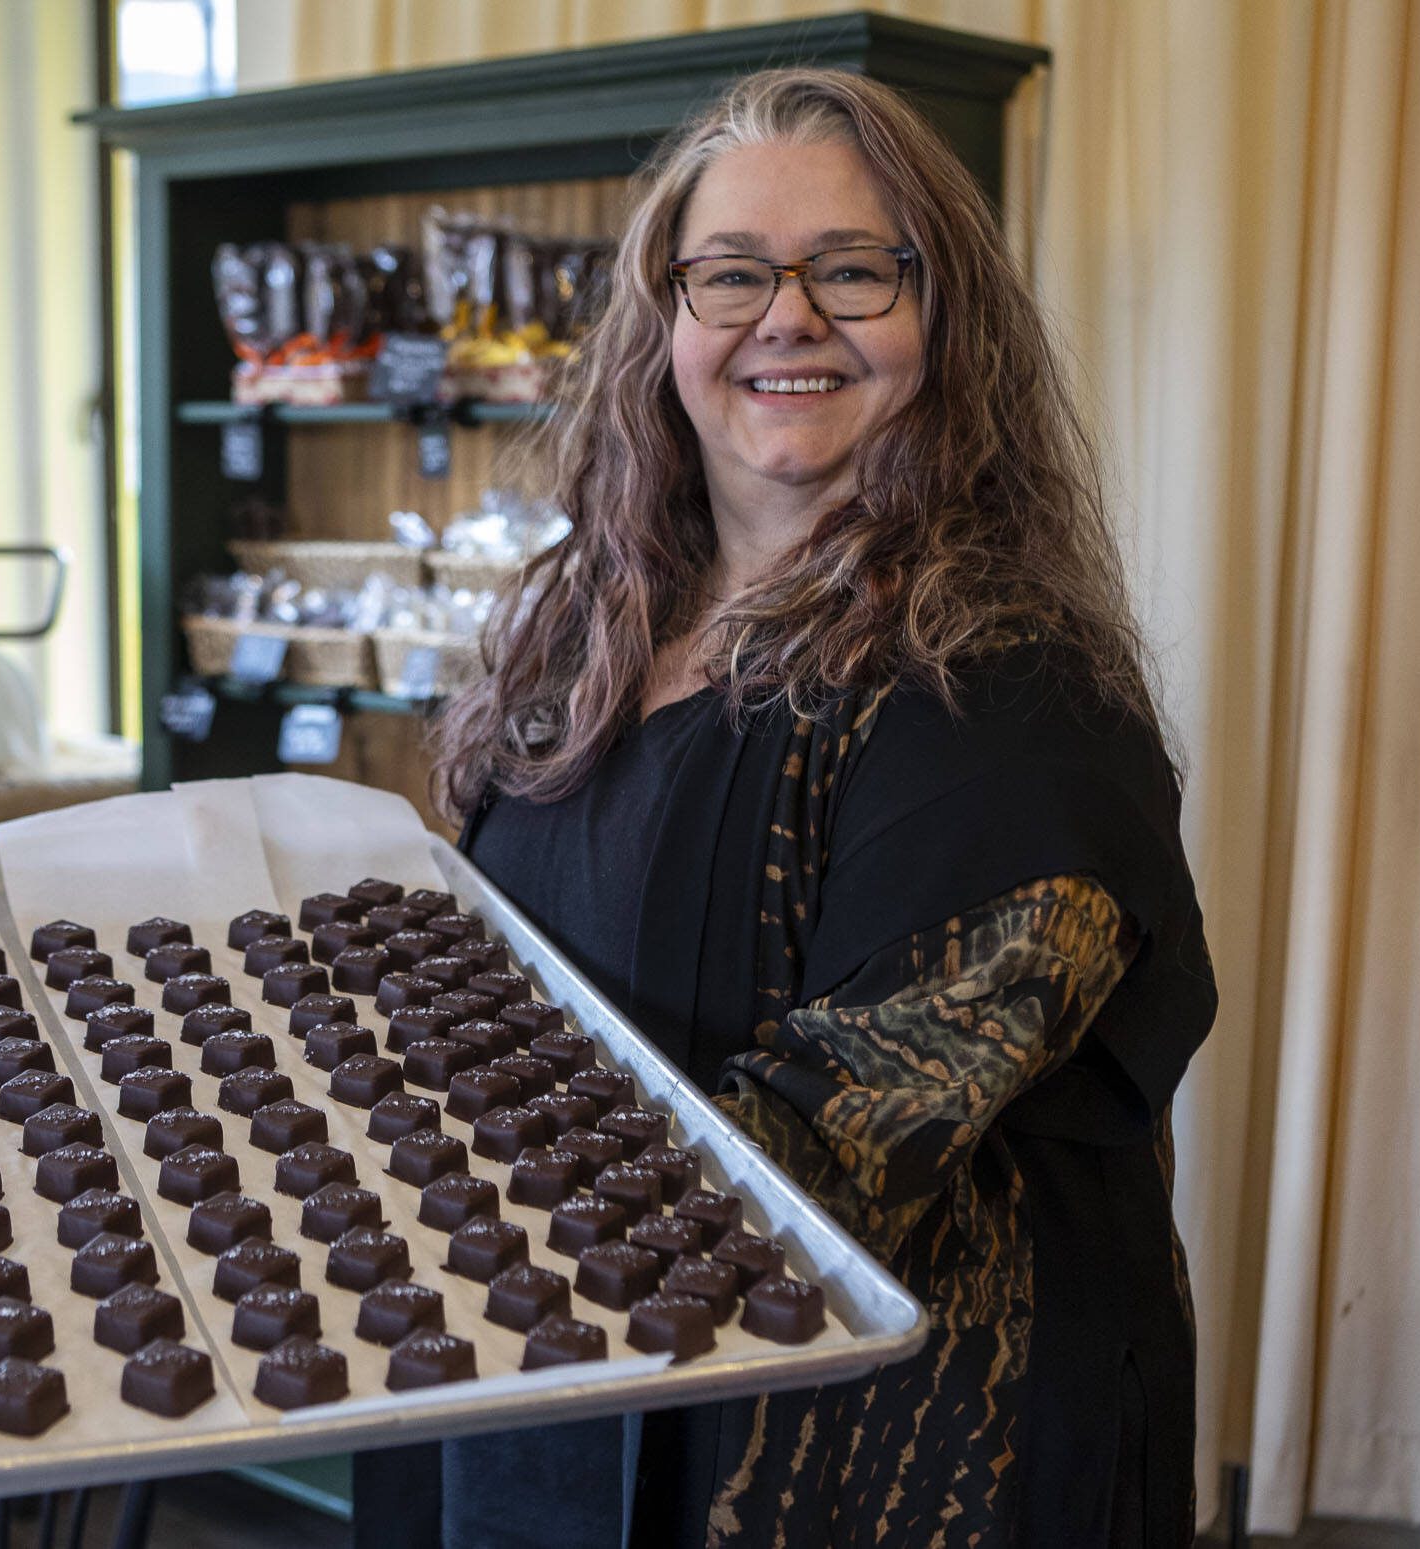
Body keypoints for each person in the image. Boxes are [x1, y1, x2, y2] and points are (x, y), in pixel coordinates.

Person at [354, 67, 1217, 1547]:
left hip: (886, 1464)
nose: (788, 316)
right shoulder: (588, 635)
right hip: (568, 1373)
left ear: (946, 318)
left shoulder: (1011, 697)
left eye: (854, 270)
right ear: (668, 320)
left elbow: (835, 1148)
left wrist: (379, 1178)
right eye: (734, 272)